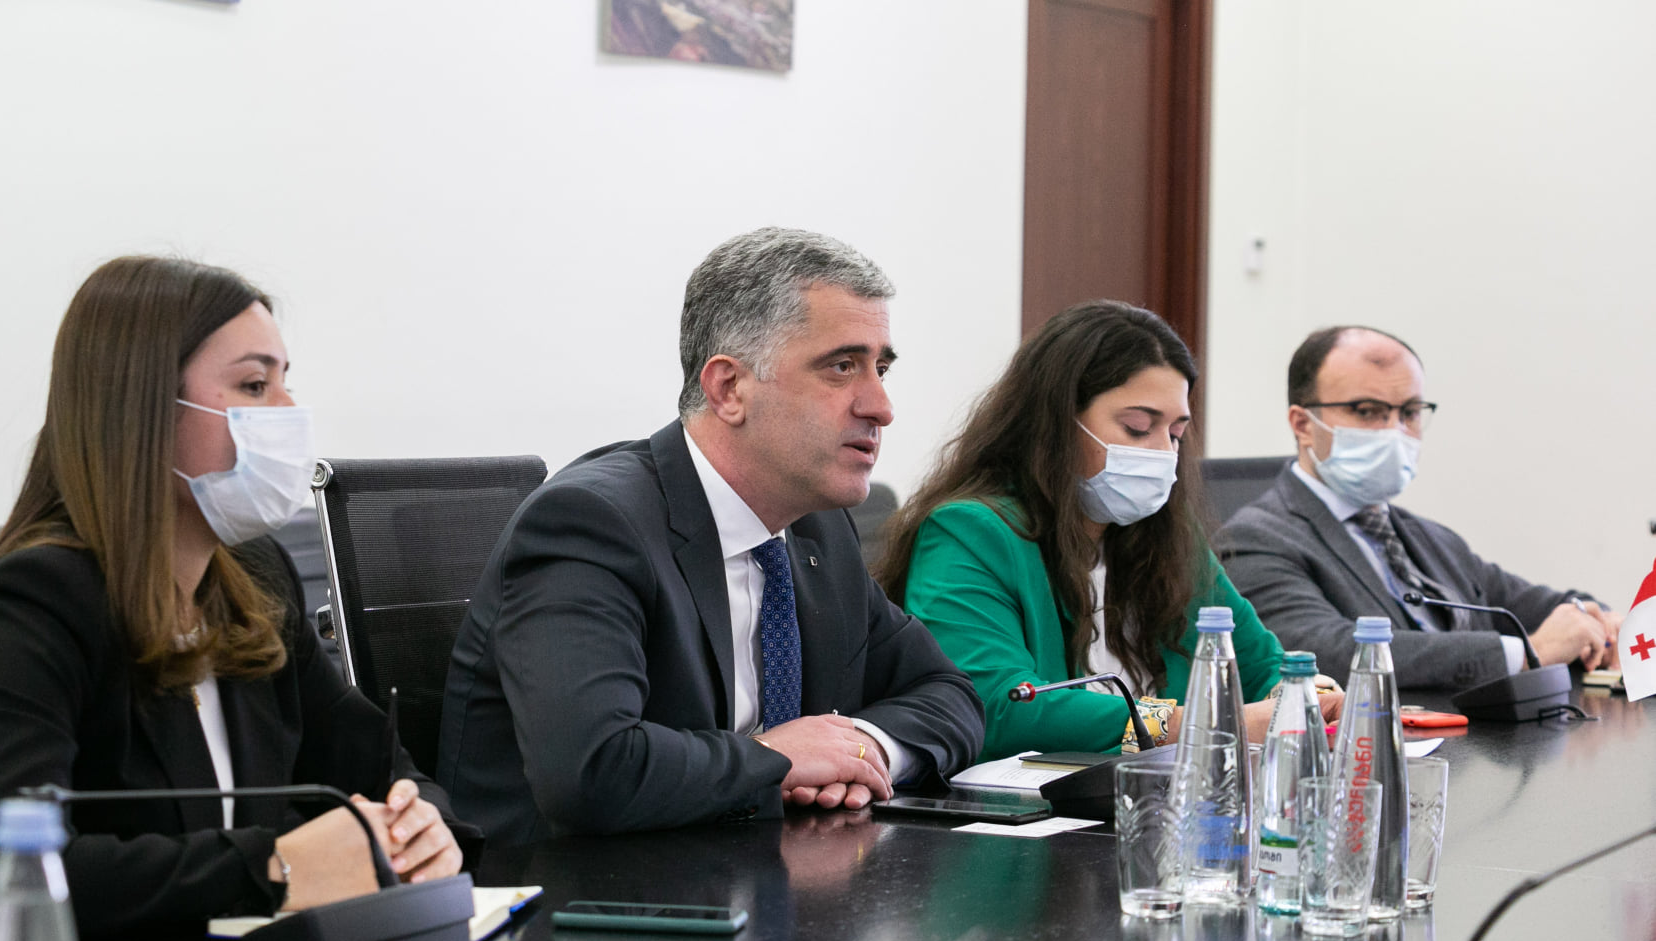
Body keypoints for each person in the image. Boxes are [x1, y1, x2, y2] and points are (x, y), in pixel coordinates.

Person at [0, 256, 472, 936]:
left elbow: (377, 764)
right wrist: (273, 865)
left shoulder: (254, 577)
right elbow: (15, 872)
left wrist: (421, 823)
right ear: (142, 410)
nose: (288, 413)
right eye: (254, 384)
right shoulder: (32, 604)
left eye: (285, 382)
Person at [435, 226, 985, 846]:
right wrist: (778, 760)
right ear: (728, 388)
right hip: (575, 890)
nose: (881, 406)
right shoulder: (589, 523)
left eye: (880, 368)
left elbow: (948, 692)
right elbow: (591, 770)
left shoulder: (815, 527)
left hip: (754, 872)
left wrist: (863, 747)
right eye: (842, 367)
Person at [877, 300, 1341, 761]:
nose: (1164, 453)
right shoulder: (969, 533)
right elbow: (996, 707)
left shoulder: (1169, 539)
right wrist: (1200, 724)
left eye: (1175, 434)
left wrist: (1304, 696)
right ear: (1056, 424)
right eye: (1138, 428)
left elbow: (1260, 666)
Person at [1216, 326, 1619, 689]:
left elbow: (1531, 605)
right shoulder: (1253, 540)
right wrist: (1528, 653)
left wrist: (1601, 622)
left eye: (1409, 412)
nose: (1395, 431)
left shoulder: (1429, 537)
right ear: (1303, 425)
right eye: (1367, 411)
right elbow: (1328, 653)